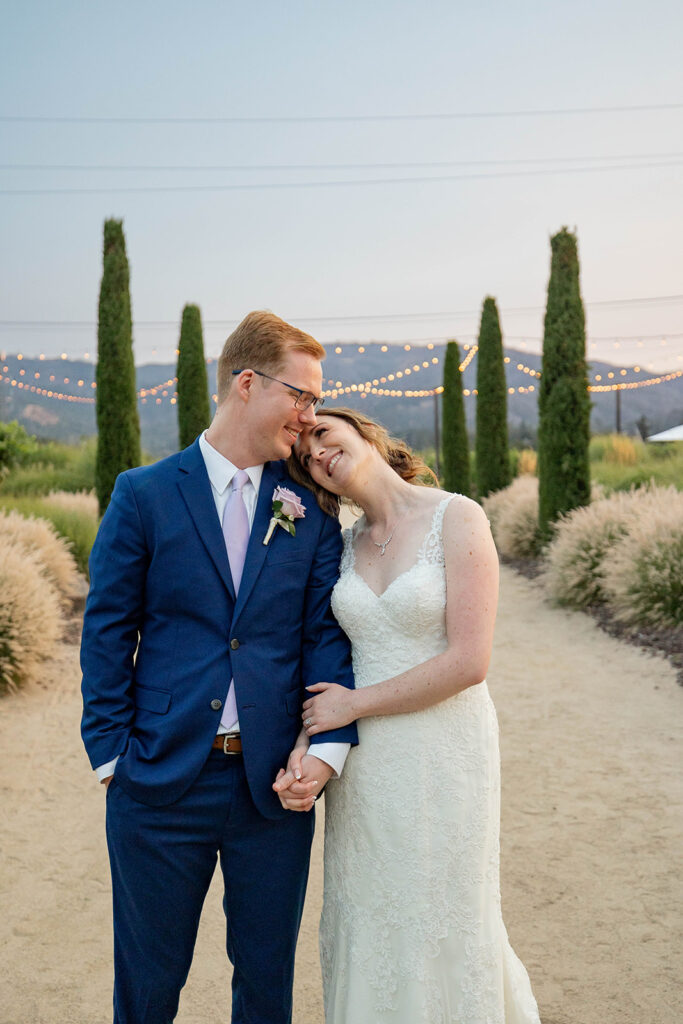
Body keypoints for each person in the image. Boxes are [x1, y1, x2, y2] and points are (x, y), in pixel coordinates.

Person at [80, 312, 357, 1024]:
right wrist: (111, 758)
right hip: (156, 784)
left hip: (272, 789)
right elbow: (108, 629)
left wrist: (323, 753)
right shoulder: (142, 494)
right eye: (300, 396)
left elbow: (324, 634)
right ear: (245, 383)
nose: (310, 415)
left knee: (266, 986)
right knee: (148, 984)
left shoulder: (311, 510)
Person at [286, 407, 541, 1024]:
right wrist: (310, 741)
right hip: (367, 766)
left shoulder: (458, 516)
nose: (317, 452)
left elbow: (469, 661)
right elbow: (332, 660)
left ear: (364, 432)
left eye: (323, 433)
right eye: (305, 455)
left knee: (443, 904)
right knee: (371, 908)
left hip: (444, 748)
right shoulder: (340, 544)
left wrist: (355, 705)